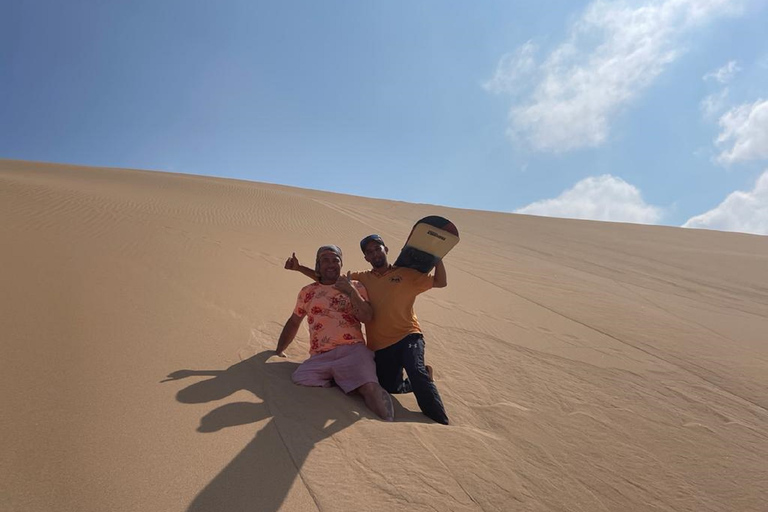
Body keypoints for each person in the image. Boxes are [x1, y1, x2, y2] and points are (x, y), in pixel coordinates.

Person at [284, 235, 449, 425]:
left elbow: (440, 282)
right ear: (366, 258)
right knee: (389, 386)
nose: (375, 253)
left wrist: (438, 259)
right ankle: (416, 382)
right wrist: (299, 268)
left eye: (377, 249)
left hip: (408, 334)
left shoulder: (407, 274)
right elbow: (329, 278)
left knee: (415, 370)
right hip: (380, 344)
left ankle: (440, 421)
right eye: (369, 252)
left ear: (386, 250)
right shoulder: (362, 278)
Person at [276, 245, 394, 421]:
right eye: (325, 260)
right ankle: (340, 378)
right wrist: (278, 350)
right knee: (300, 378)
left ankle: (389, 425)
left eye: (335, 260)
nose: (330, 264)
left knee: (369, 387)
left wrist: (351, 292)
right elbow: (294, 321)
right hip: (320, 355)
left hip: (352, 350)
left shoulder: (355, 286)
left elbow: (367, 317)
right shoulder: (307, 292)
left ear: (341, 264)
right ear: (318, 265)